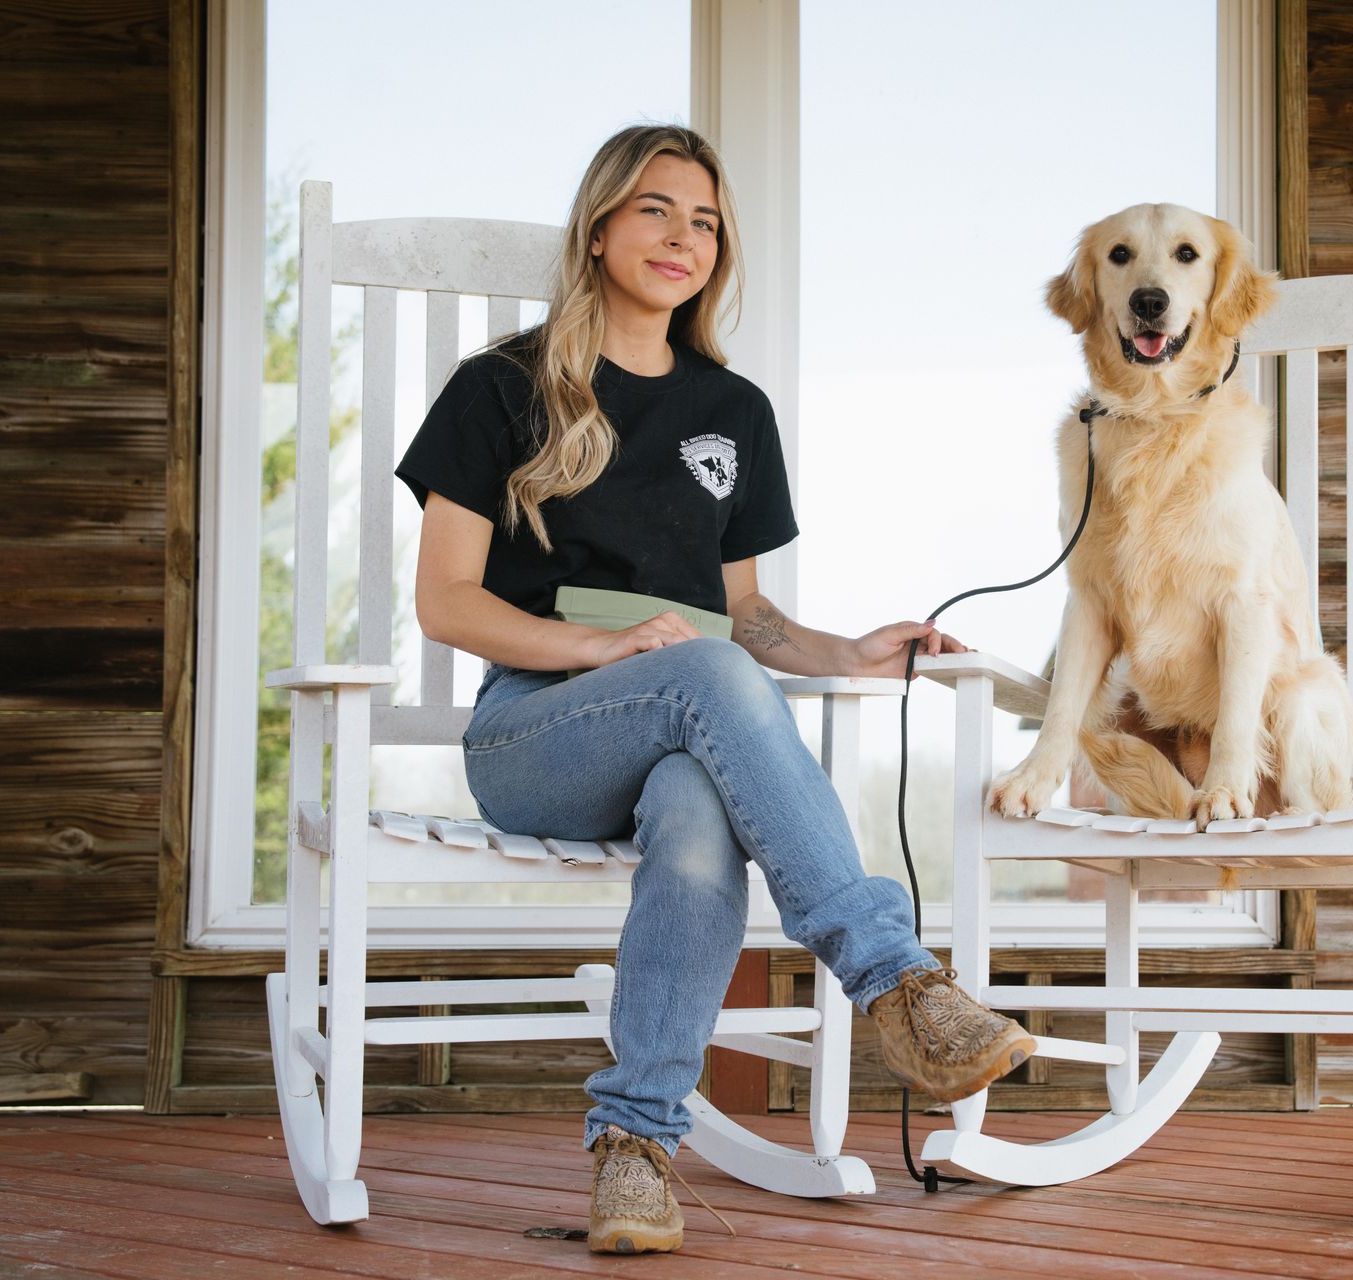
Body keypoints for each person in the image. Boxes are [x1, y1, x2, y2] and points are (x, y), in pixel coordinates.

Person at [395, 124, 1034, 1256]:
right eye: (655, 209)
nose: (683, 236)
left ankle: (633, 1149)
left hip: (684, 720)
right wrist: (597, 649)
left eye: (705, 219)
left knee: (697, 814)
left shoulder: (732, 412)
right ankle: (895, 980)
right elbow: (445, 601)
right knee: (702, 678)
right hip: (534, 734)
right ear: (598, 229)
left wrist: (845, 651)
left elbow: (745, 619)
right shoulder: (501, 387)